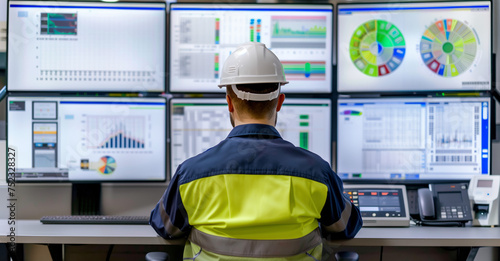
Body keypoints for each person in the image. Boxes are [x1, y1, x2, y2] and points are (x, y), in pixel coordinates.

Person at [150, 42, 362, 260]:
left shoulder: (190, 174)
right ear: (279, 102)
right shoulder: (318, 173)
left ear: (229, 103)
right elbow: (347, 226)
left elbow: (164, 226)